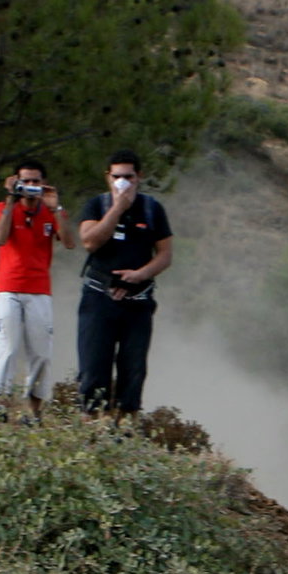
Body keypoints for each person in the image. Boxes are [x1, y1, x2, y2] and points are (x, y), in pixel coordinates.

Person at [77, 150, 173, 418]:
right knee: (94, 368)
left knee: (133, 370)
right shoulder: (97, 205)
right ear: (108, 177)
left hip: (138, 302)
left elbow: (165, 255)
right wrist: (117, 208)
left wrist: (140, 274)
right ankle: (91, 431)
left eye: (129, 177)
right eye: (117, 177)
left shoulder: (152, 209)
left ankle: (126, 432)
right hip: (98, 299)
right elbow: (89, 242)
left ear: (139, 177)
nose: (123, 183)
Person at [0, 158, 76, 420]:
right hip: (8, 287)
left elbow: (70, 243)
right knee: (6, 346)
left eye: (35, 181)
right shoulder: (5, 207)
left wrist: (57, 207)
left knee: (41, 351)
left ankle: (33, 409)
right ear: (17, 182)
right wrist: (10, 199)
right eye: (25, 181)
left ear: (44, 183)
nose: (30, 186)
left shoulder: (52, 211)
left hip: (39, 289)